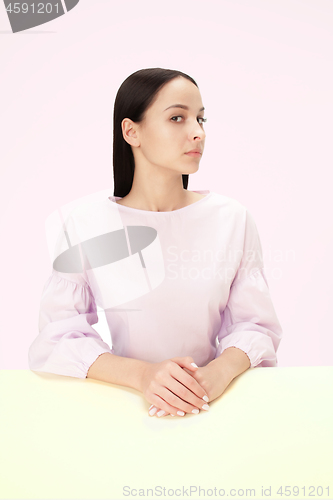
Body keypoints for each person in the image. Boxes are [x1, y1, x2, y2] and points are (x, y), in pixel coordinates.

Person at [28, 67, 283, 418]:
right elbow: (58, 337)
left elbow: (255, 326)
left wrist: (217, 375)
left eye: (201, 119)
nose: (198, 133)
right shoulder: (87, 224)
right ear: (131, 131)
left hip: (215, 408)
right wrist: (144, 376)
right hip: (124, 410)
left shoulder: (232, 219)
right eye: (177, 118)